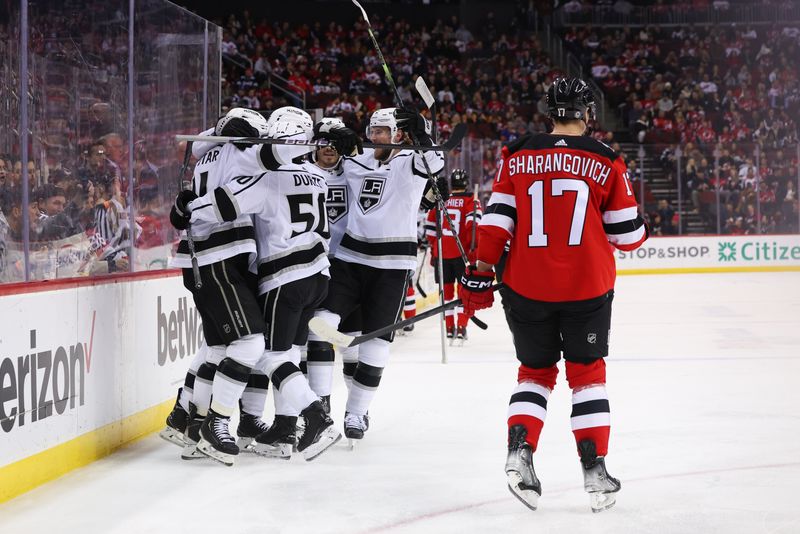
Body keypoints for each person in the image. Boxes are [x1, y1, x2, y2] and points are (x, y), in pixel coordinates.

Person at [459, 78, 648, 512]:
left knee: (535, 372)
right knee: (587, 375)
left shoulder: (518, 153)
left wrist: (480, 272)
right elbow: (628, 236)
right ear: (588, 114)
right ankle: (595, 470)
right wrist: (640, 226)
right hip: (587, 287)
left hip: (527, 286)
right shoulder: (607, 159)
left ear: (550, 114)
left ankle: (519, 454)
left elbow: (495, 223)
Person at [306, 107, 446, 443]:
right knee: (319, 326)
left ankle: (356, 412)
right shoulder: (360, 159)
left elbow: (435, 164)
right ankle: (319, 406)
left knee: (376, 345)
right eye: (373, 130)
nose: (376, 136)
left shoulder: (409, 162)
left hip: (392, 268)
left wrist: (423, 137)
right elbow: (343, 154)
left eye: (383, 131)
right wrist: (339, 138)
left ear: (399, 135)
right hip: (351, 259)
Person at [425, 168, 482, 343]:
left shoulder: (441, 200)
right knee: (464, 292)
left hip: (442, 254)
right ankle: (462, 326)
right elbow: (473, 228)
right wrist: (475, 250)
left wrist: (434, 249)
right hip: (462, 255)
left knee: (446, 293)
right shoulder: (471, 201)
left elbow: (430, 228)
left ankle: (449, 329)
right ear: (465, 183)